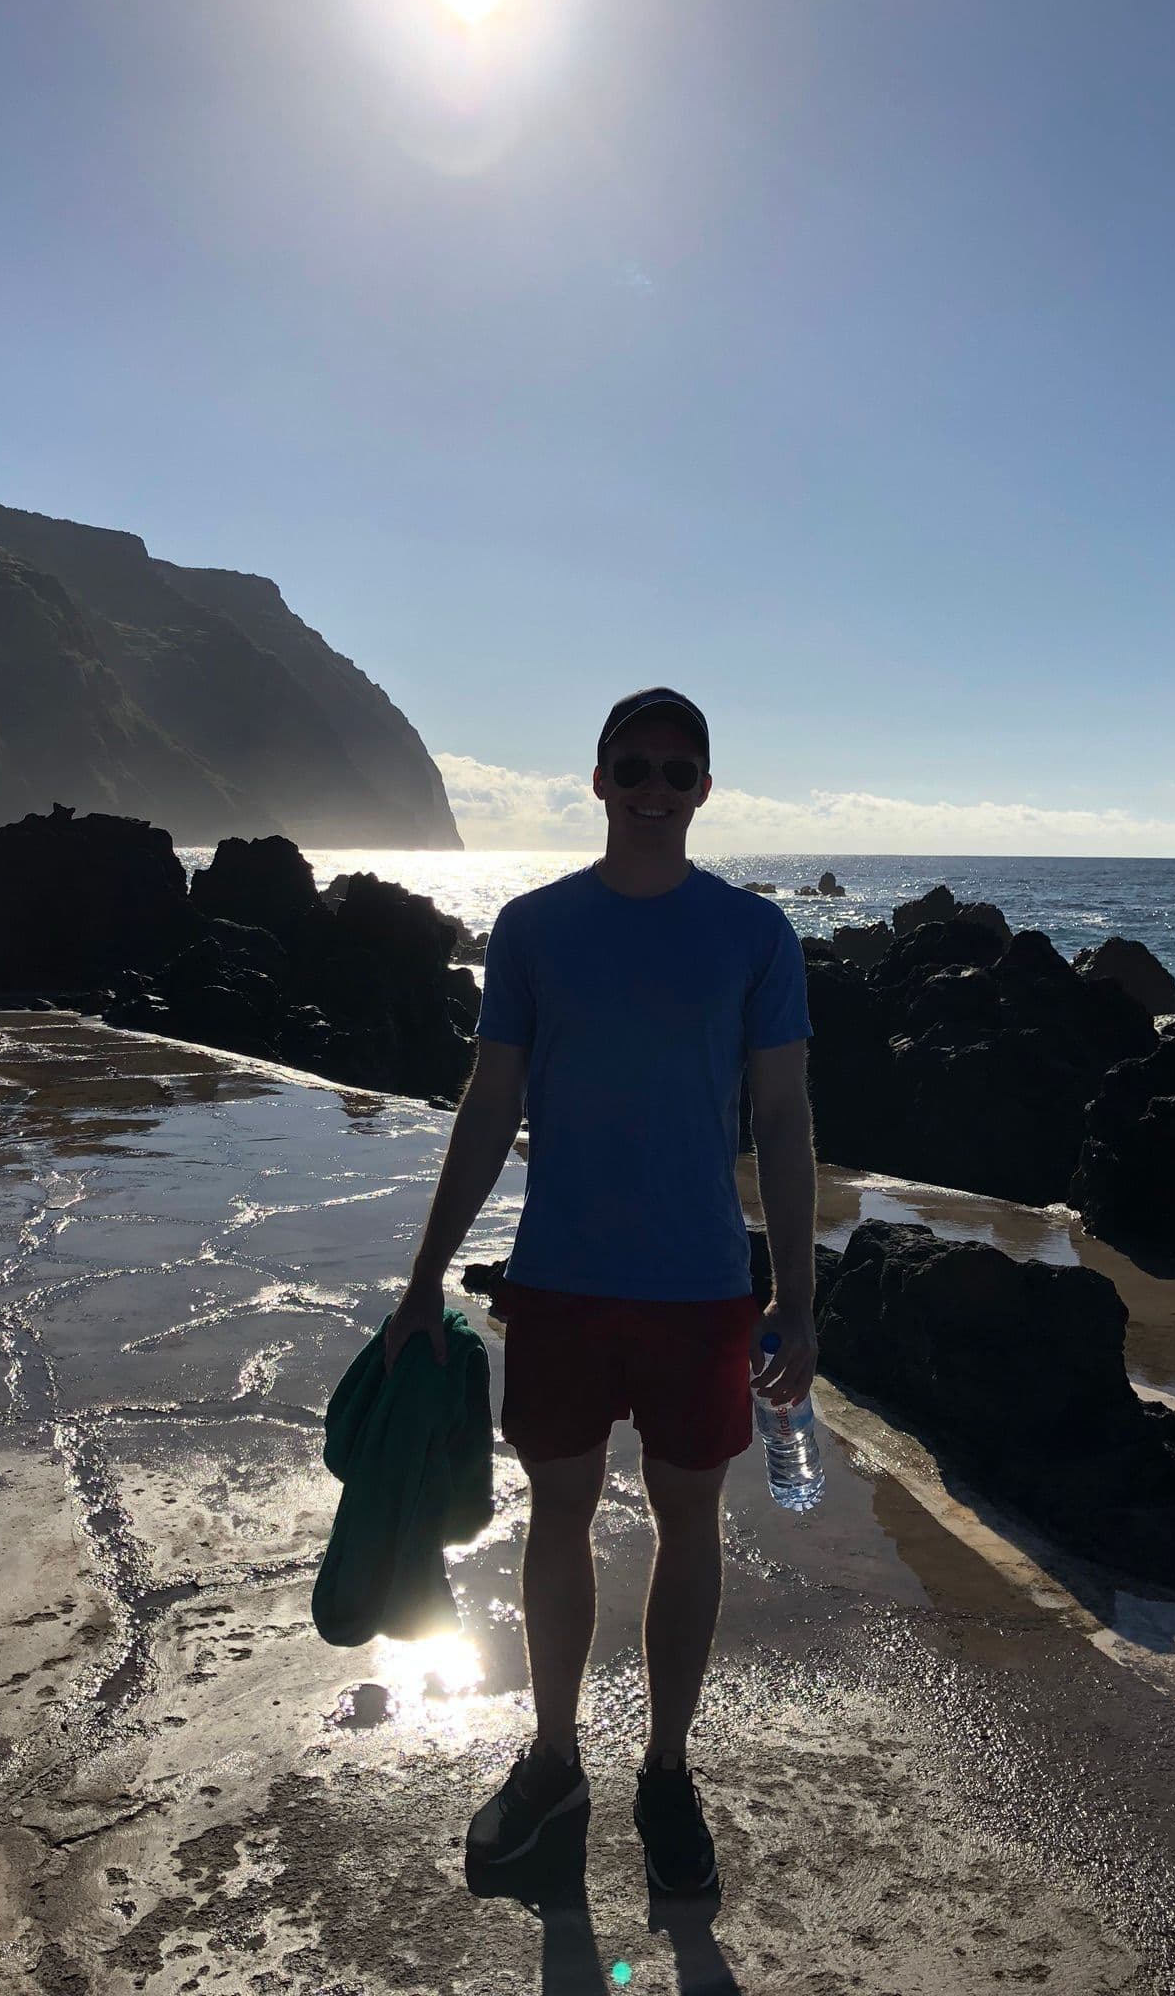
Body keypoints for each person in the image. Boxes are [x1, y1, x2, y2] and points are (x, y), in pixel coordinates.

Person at [384, 686, 817, 1895]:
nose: (656, 788)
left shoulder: (756, 936)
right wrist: (426, 1277)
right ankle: (555, 1757)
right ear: (598, 778)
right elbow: (487, 1108)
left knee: (693, 1525)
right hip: (563, 1282)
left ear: (705, 790)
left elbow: (782, 1120)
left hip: (699, 1291)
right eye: (635, 766)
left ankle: (667, 1770)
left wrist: (798, 1291)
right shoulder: (531, 928)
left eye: (680, 771)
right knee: (557, 1517)